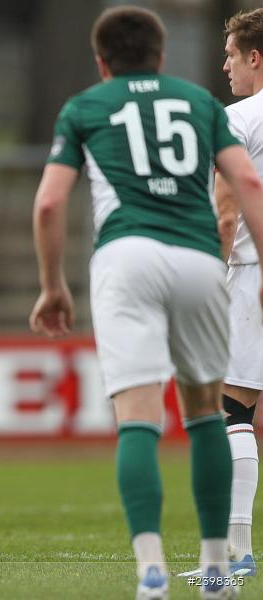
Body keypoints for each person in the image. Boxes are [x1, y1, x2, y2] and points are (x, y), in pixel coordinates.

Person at [29, 6, 263, 599]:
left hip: (128, 258)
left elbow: (51, 204)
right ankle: (218, 571)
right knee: (210, 410)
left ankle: (152, 571)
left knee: (139, 416)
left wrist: (53, 286)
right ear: (162, 57)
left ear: (102, 62)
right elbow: (249, 185)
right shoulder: (200, 103)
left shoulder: (86, 106)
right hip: (198, 263)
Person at [214, 8, 263, 576]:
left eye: (230, 54)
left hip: (251, 274)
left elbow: (226, 211)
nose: (224, 64)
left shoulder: (237, 118)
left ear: (255, 57)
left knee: (231, 408)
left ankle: (238, 553)